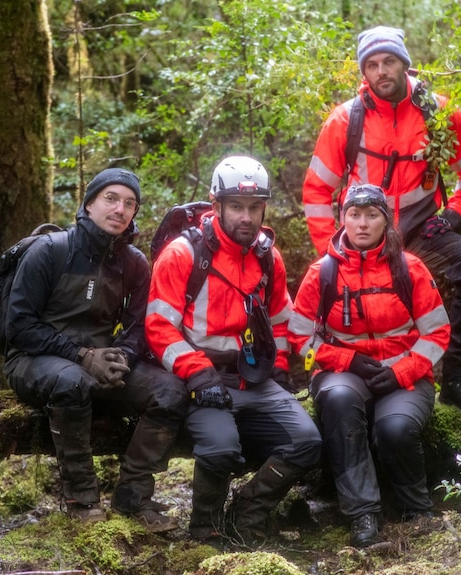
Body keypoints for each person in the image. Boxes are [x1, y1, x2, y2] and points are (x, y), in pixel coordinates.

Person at [301, 25, 461, 414]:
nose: (381, 71)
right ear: (363, 72)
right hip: (363, 239)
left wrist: (454, 214)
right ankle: (351, 378)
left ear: (404, 64)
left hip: (423, 231)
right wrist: (331, 254)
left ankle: (455, 379)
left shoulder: (439, 112)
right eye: (372, 65)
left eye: (389, 61)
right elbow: (317, 192)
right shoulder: (344, 121)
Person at [146, 155, 323, 545]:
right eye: (237, 207)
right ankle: (205, 529)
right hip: (202, 381)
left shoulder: (266, 256)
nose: (247, 217)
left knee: (307, 442)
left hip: (255, 379)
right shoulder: (182, 254)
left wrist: (278, 367)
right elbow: (159, 327)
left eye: (255, 208)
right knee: (222, 448)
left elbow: (280, 320)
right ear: (217, 205)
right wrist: (197, 374)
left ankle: (247, 511)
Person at [4, 168, 188, 532]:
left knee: (171, 391)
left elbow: (139, 327)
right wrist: (82, 356)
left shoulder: (134, 263)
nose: (120, 209)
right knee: (72, 382)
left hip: (100, 366)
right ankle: (82, 499)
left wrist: (123, 357)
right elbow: (20, 327)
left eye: (130, 203)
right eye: (111, 198)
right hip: (32, 361)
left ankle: (133, 499)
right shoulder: (50, 251)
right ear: (89, 204)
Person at [289, 184, 450, 548]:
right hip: (344, 373)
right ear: (342, 218)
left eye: (372, 215)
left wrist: (401, 371)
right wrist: (345, 360)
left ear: (386, 221)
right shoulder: (322, 273)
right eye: (354, 215)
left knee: (395, 429)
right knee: (339, 401)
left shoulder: (410, 268)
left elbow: (437, 333)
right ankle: (362, 513)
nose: (362, 224)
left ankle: (416, 509)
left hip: (404, 375)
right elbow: (299, 338)